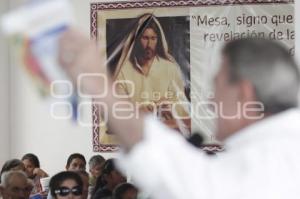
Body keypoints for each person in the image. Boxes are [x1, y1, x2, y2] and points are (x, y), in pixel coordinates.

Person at [59, 29, 300, 198]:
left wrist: (98, 83)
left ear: (244, 93)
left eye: (217, 87)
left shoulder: (269, 162)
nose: (210, 102)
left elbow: (186, 179)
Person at [99, 13, 190, 144]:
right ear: (136, 40)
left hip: (163, 137)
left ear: (158, 40)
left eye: (153, 38)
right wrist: (138, 110)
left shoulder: (170, 68)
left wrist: (170, 107)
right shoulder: (123, 71)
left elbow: (183, 106)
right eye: (145, 38)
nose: (149, 44)